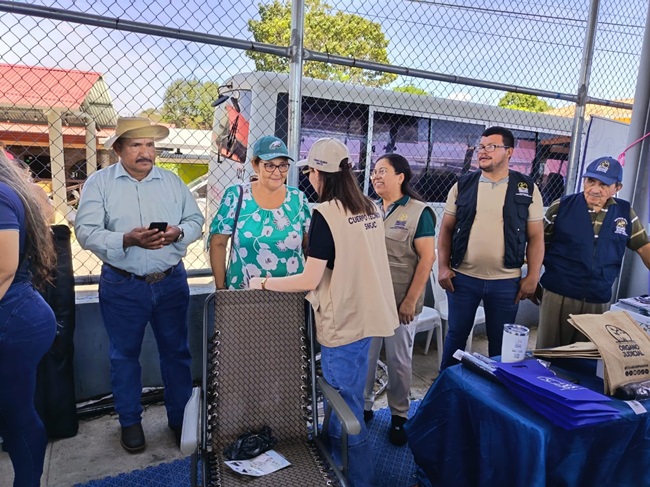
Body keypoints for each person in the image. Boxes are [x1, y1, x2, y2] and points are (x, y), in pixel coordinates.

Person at [249, 138, 398, 487]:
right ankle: (336, 462)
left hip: (342, 324)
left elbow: (309, 279)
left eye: (310, 172)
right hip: (369, 318)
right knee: (350, 396)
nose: (309, 178)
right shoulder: (370, 208)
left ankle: (358, 478)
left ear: (318, 173)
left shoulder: (325, 215)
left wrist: (263, 282)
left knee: (345, 409)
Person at [74, 117, 204, 453]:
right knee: (124, 356)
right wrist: (127, 239)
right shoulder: (100, 184)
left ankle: (180, 420)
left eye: (150, 145)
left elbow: (195, 221)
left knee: (177, 353)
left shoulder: (172, 182)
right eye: (136, 145)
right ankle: (130, 421)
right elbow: (85, 232)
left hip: (171, 282)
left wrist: (178, 232)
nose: (145, 152)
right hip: (123, 284)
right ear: (118, 149)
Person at [437, 126, 544, 369]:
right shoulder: (463, 185)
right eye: (481, 147)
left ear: (509, 152)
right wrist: (443, 267)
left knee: (500, 346)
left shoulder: (527, 188)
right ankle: (446, 386)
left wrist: (533, 277)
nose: (483, 152)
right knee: (456, 337)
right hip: (462, 279)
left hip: (506, 283)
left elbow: (536, 237)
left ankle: (496, 389)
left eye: (491, 147)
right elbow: (446, 230)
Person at [536, 156, 650, 348]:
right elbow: (538, 245)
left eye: (603, 184)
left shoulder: (625, 214)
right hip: (558, 294)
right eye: (591, 181)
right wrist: (531, 279)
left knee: (587, 355)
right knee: (549, 353)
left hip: (598, 299)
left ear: (617, 188)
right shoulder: (561, 206)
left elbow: (644, 246)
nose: (595, 189)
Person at [362, 153, 435, 446]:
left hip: (400, 300)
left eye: (382, 171)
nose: (375, 176)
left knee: (398, 360)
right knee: (366, 357)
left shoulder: (419, 212)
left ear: (400, 177)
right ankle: (365, 407)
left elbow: (427, 259)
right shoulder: (369, 209)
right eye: (373, 172)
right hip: (371, 299)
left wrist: (410, 301)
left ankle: (399, 415)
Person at [0, 151, 57, 486]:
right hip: (20, 314)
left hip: (14, 320)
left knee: (17, 416)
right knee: (14, 415)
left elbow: (4, 268)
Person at [209, 135, 311, 289]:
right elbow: (218, 243)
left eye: (283, 165)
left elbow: (308, 246)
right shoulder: (236, 196)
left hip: (291, 294)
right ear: (255, 165)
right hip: (244, 294)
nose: (277, 172)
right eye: (269, 165)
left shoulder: (298, 198)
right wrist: (221, 289)